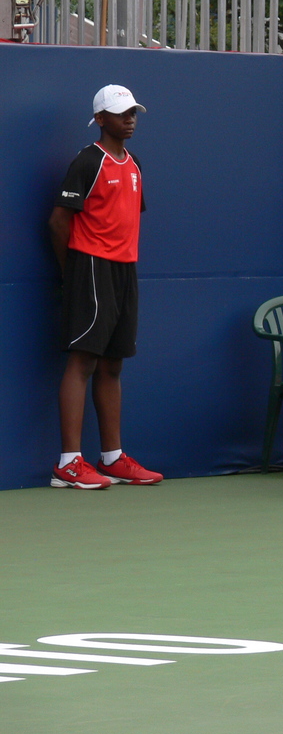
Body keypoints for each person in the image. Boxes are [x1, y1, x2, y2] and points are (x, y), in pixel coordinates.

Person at [47, 85, 164, 490]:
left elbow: (128, 218)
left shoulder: (134, 164)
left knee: (113, 364)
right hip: (91, 268)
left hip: (124, 271)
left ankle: (112, 457)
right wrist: (73, 271)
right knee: (83, 362)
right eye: (121, 113)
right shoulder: (87, 161)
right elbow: (59, 221)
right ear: (100, 119)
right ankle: (69, 463)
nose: (130, 118)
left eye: (133, 111)